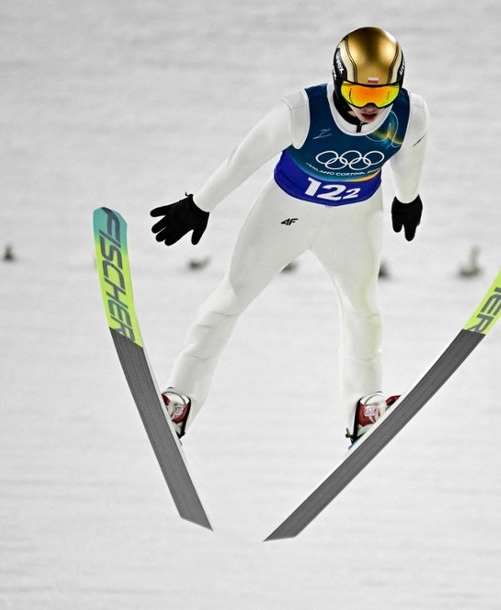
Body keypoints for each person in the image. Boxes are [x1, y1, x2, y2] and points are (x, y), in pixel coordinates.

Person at [150, 26, 429, 443]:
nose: (372, 108)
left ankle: (363, 406)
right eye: (360, 95)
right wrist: (199, 204)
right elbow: (242, 159)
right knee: (232, 296)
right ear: (338, 81)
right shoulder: (300, 112)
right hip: (286, 212)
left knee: (363, 308)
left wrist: (408, 198)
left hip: (356, 217)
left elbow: (410, 158)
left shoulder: (411, 113)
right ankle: (180, 400)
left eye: (383, 96)